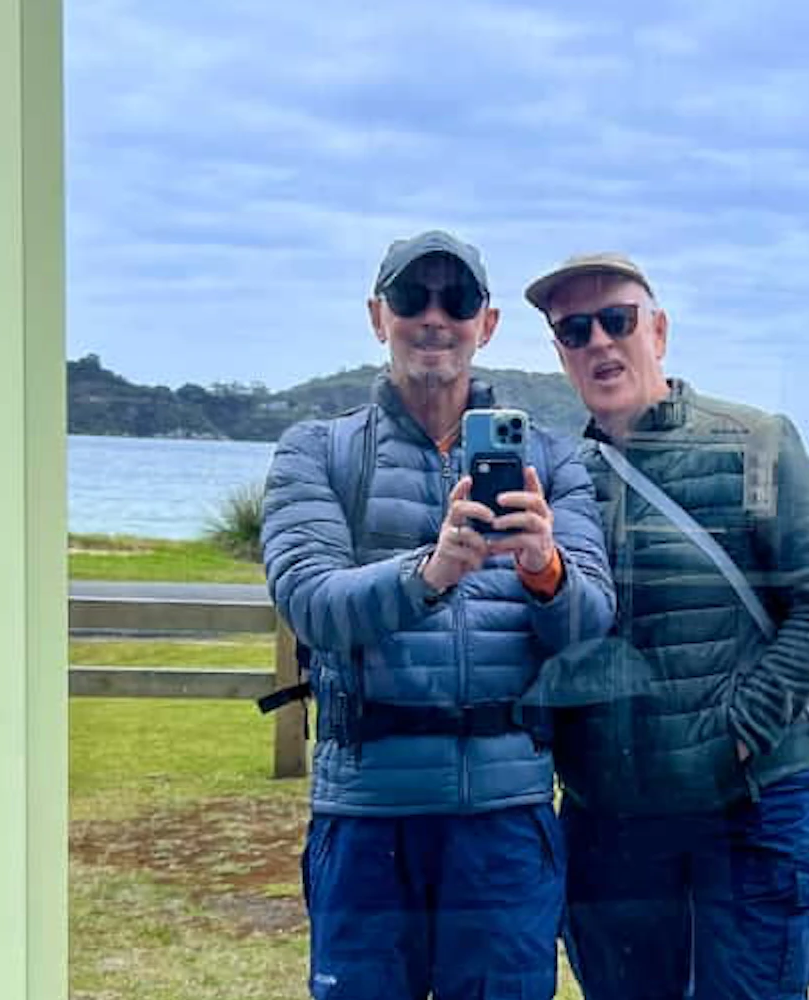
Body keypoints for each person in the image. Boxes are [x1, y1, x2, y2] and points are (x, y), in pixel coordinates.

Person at [261, 230, 615, 999]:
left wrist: (544, 568)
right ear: (376, 315)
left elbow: (590, 627)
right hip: (365, 816)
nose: (433, 317)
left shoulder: (553, 463)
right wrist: (430, 572)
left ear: (485, 325)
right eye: (410, 297)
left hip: (504, 819)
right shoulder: (316, 452)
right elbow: (310, 602)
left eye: (455, 300)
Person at [524, 252, 809, 1000]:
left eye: (617, 320)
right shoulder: (554, 473)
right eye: (574, 330)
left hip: (743, 808)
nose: (599, 343)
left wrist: (740, 729)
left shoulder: (755, 442)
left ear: (659, 330)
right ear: (559, 351)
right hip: (607, 821)